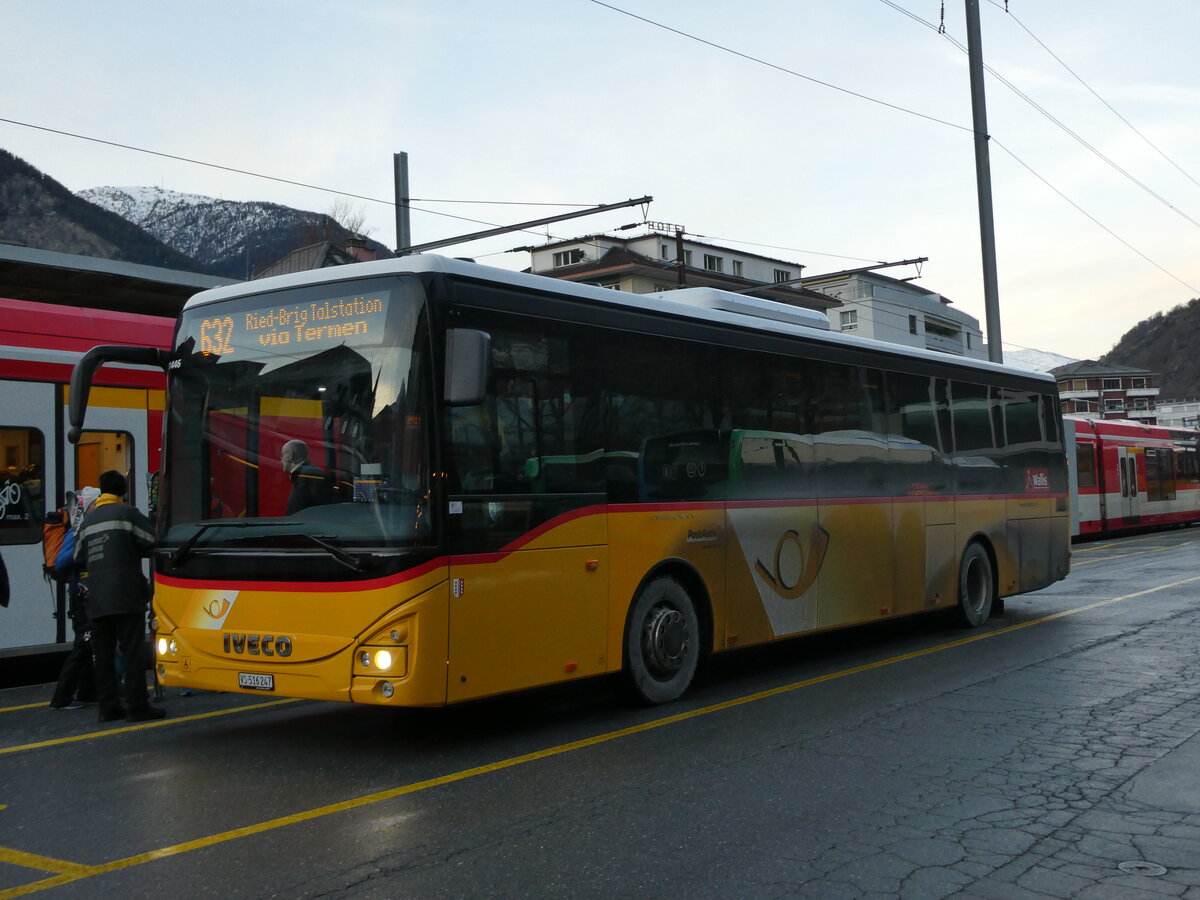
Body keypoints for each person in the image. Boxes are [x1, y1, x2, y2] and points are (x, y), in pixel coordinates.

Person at [74, 470, 164, 723]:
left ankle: (108, 708)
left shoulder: (88, 522)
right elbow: (152, 541)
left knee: (102, 655)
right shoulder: (127, 514)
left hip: (97, 597)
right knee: (132, 652)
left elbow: (78, 558)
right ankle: (137, 707)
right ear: (122, 491)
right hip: (126, 595)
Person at [48, 490, 98, 710]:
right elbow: (61, 562)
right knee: (83, 644)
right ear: (89, 506)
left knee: (87, 644)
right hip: (81, 595)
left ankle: (87, 693)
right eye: (98, 503)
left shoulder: (85, 528)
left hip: (85, 593)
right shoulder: (77, 532)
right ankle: (61, 698)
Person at [281, 439, 332, 514]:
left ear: (290, 455)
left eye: (282, 455)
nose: (281, 460)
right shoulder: (309, 473)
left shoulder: (310, 475)